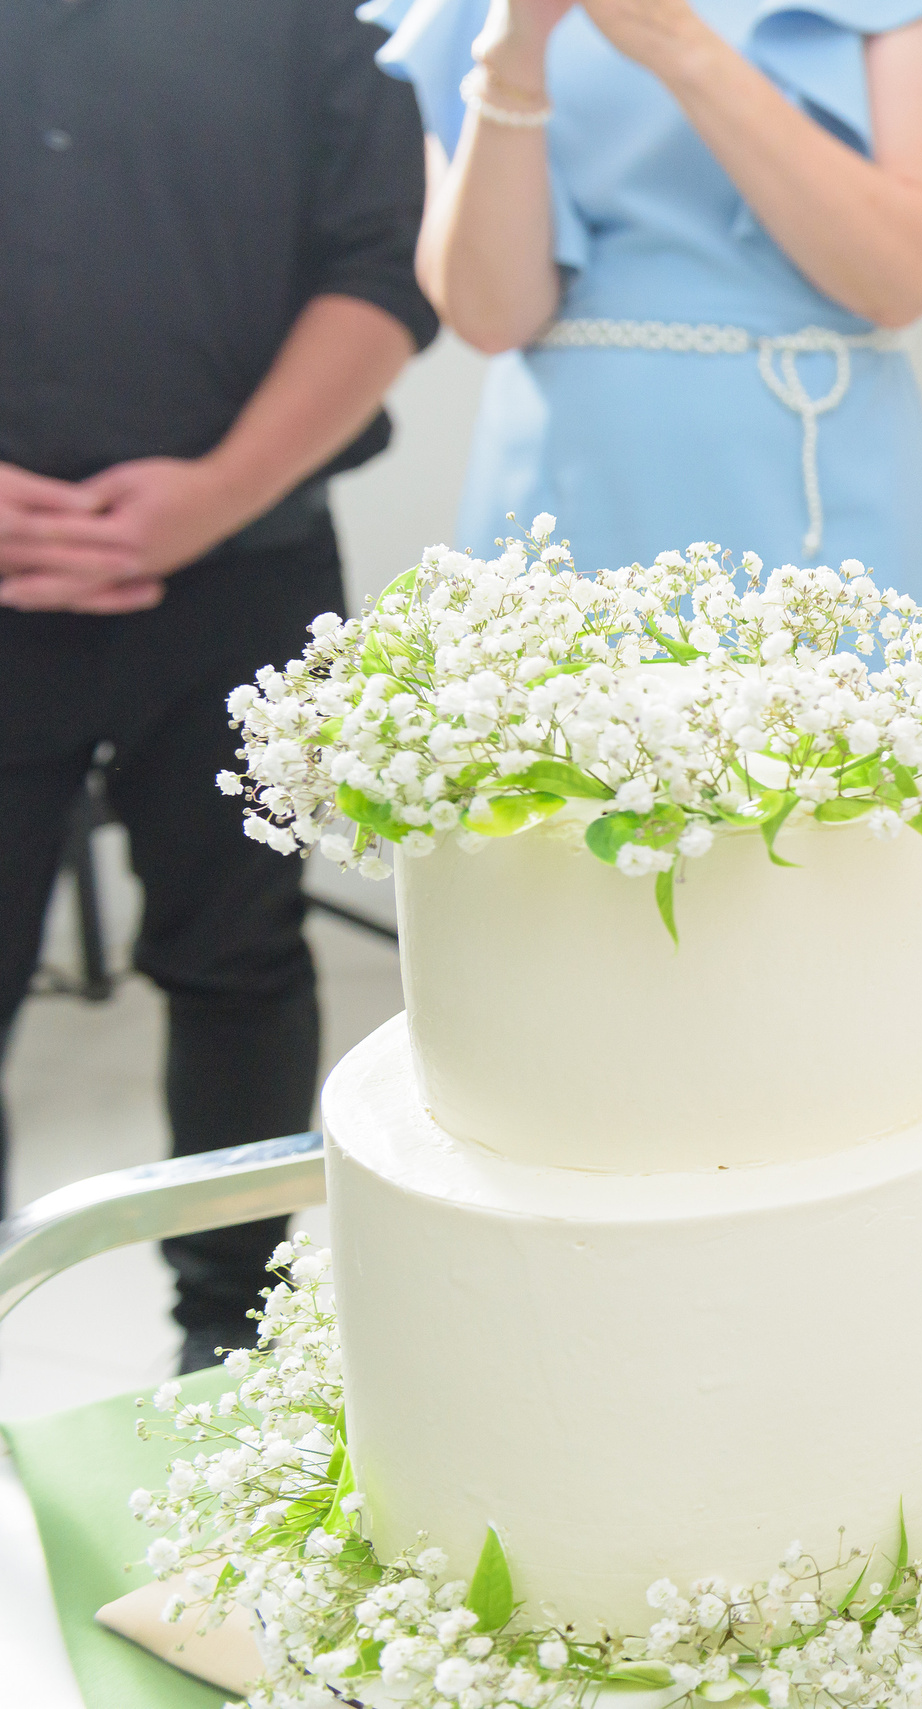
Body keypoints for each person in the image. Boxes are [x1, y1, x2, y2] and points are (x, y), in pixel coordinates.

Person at [0, 0, 435, 1370]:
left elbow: (382, 267)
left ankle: (228, 1351)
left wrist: (223, 491)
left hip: (245, 563)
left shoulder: (303, 23)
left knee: (238, 955)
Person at [366, 0, 922, 600]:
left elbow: (900, 281)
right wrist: (514, 58)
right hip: (567, 478)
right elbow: (490, 317)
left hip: (804, 473)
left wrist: (679, 43)